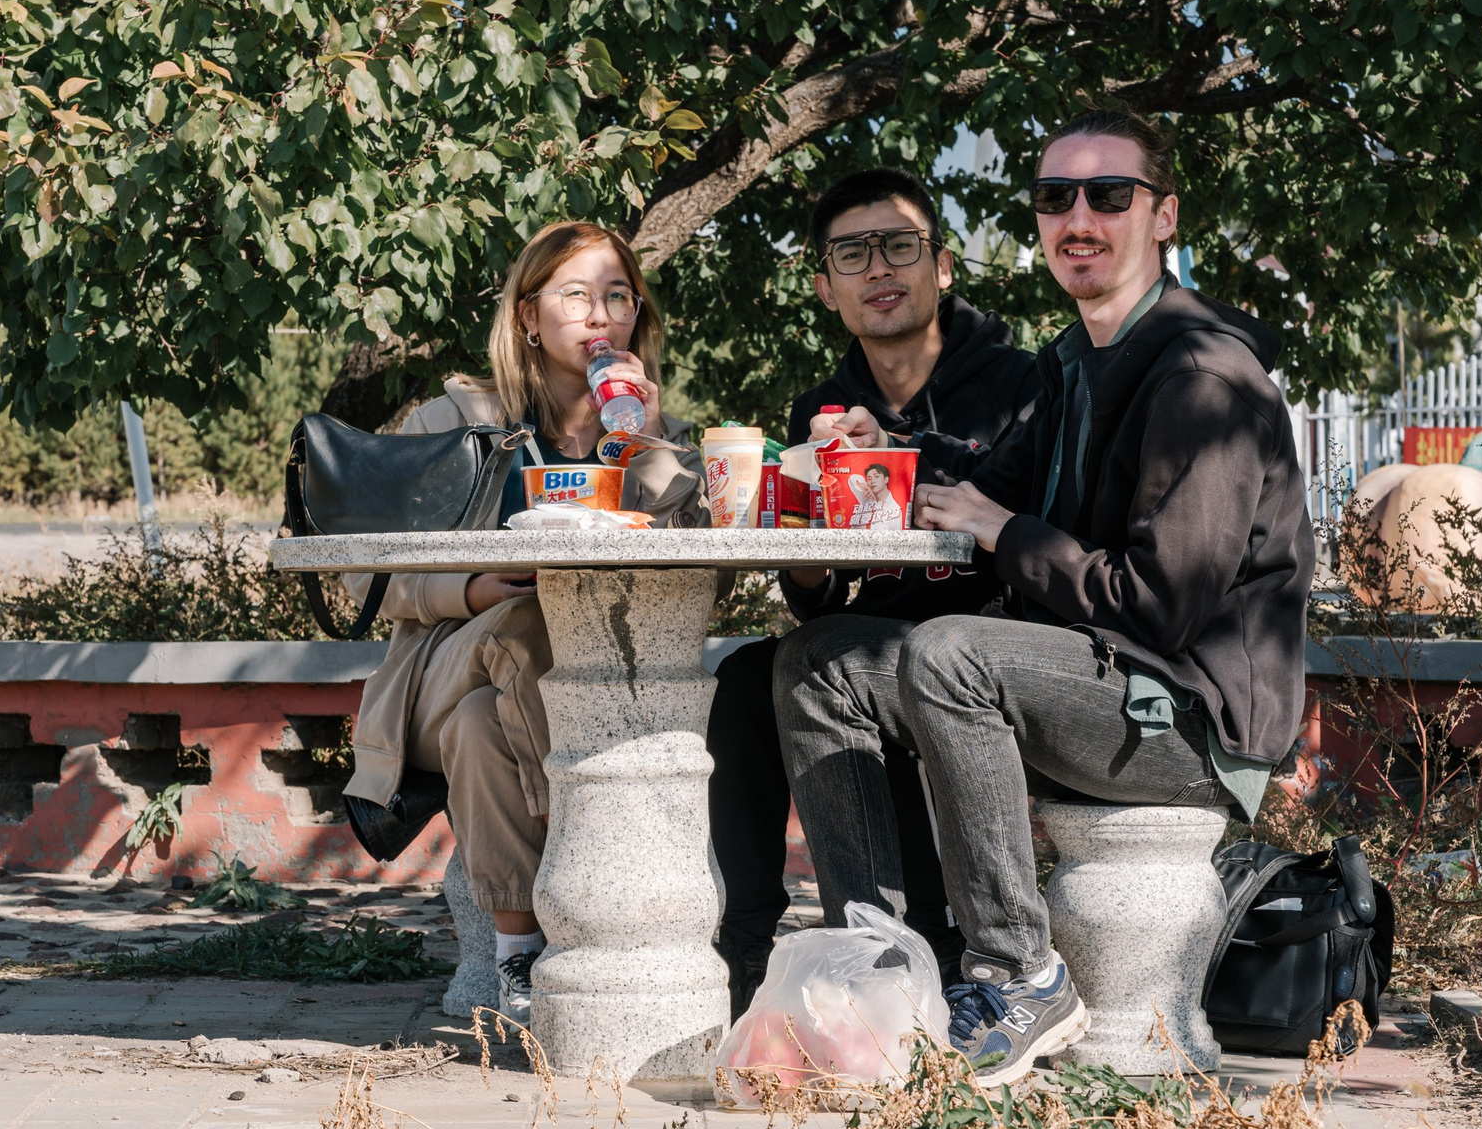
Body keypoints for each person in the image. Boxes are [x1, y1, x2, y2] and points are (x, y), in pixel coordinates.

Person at [876, 103, 1315, 1085]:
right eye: (1054, 196)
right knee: (821, 669)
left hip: (1196, 722)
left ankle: (1018, 977)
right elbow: (988, 490)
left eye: (1108, 195)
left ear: (1162, 217)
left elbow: (1159, 605)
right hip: (1104, 677)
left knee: (948, 657)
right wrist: (869, 461)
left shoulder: (1200, 378)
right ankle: (890, 965)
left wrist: (1006, 533)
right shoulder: (1075, 362)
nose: (1078, 216)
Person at [340, 222, 702, 1021]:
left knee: (484, 727)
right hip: (438, 673)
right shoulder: (454, 421)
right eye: (577, 295)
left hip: (536, 694)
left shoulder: (658, 441)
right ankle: (599, 858)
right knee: (525, 624)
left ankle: (518, 958)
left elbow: (699, 573)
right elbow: (359, 575)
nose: (602, 315)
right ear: (530, 318)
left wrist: (638, 447)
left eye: (619, 297)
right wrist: (470, 588)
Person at [705, 168, 1039, 1015]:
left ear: (944, 266)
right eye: (853, 254)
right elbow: (812, 592)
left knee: (824, 660)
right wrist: (795, 526)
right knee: (748, 676)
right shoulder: (819, 405)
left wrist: (893, 449)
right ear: (826, 286)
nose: (879, 269)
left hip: (990, 643)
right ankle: (745, 961)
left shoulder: (1022, 384)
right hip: (866, 643)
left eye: (900, 245)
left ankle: (889, 958)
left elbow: (1024, 519)